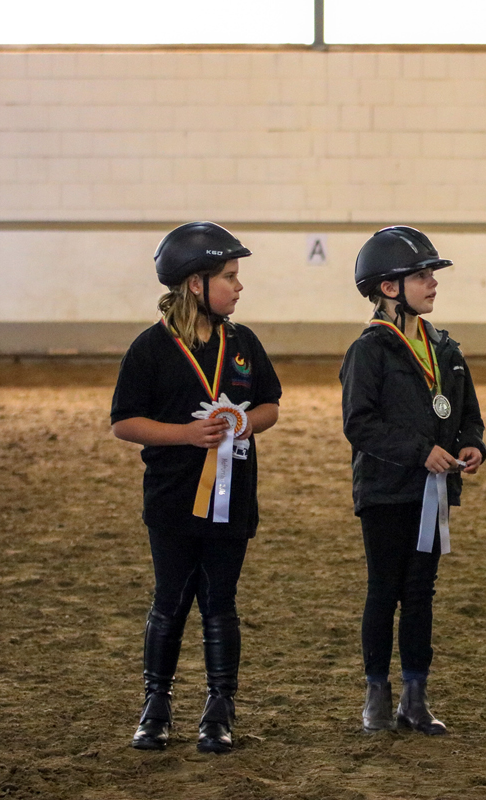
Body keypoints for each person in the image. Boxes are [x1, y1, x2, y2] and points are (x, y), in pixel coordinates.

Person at [111, 222, 282, 754]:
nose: (238, 286)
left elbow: (271, 404)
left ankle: (219, 707)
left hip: (234, 497)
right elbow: (124, 422)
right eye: (229, 277)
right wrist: (184, 435)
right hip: (172, 498)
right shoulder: (150, 349)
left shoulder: (244, 343)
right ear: (194, 284)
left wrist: (247, 423)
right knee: (170, 602)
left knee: (220, 602)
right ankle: (156, 705)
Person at [340, 226, 486, 737]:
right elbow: (359, 423)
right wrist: (419, 452)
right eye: (421, 276)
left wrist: (473, 443)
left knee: (421, 592)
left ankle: (415, 696)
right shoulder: (370, 350)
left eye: (431, 275)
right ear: (388, 288)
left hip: (434, 493)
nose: (432, 283)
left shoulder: (444, 347)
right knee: (384, 590)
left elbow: (467, 412)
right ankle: (376, 694)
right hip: (384, 491)